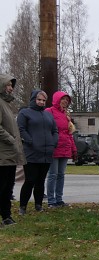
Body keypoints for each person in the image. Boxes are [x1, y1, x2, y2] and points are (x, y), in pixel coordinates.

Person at [17, 90, 58, 215]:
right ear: (34, 99)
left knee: (41, 181)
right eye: (39, 99)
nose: (41, 102)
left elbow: (54, 130)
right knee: (30, 180)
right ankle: (23, 206)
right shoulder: (25, 113)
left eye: (44, 100)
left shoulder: (48, 115)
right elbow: (21, 129)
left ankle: (38, 205)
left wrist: (53, 142)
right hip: (31, 152)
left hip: (46, 153)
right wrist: (30, 141)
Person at [0, 74, 25, 226]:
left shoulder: (6, 104)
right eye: (8, 85)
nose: (10, 88)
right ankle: (5, 216)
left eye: (11, 86)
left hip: (10, 154)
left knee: (8, 187)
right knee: (2, 186)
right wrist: (11, 139)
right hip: (3, 153)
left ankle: (6, 216)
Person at [45, 91, 77, 208]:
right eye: (63, 99)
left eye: (67, 100)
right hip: (54, 147)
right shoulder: (49, 112)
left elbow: (70, 133)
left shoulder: (66, 114)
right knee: (53, 174)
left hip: (65, 147)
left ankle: (59, 199)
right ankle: (51, 200)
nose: (65, 101)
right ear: (57, 99)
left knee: (61, 174)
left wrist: (73, 149)